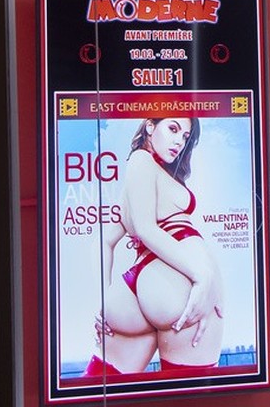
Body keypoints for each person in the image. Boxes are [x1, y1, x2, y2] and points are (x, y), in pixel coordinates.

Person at [84, 117, 224, 378]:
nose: (179, 141)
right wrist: (202, 275)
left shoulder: (139, 179)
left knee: (99, 385)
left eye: (185, 137)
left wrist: (104, 298)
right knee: (189, 392)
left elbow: (103, 241)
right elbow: (146, 229)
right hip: (177, 282)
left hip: (137, 287)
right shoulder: (141, 160)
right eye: (173, 128)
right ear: (150, 126)